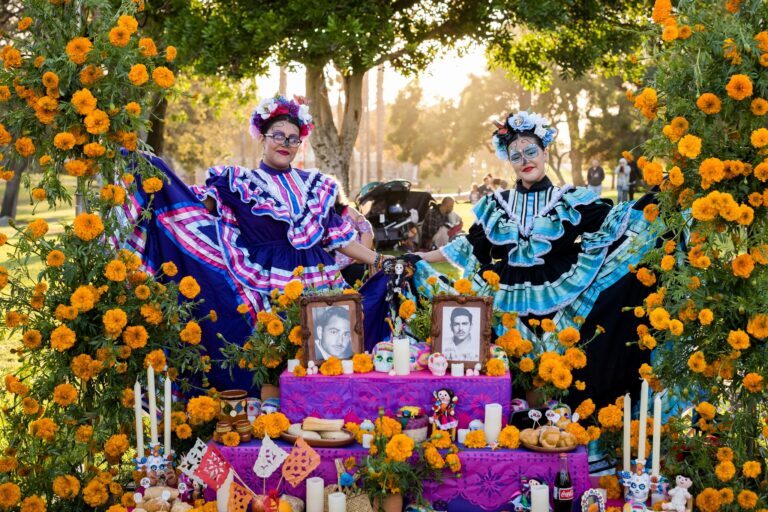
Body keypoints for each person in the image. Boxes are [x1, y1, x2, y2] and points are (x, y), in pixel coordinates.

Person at [119, 95, 383, 392]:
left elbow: (341, 238)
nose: (285, 143)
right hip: (264, 283)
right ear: (263, 137)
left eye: (293, 139)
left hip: (319, 281)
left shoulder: (316, 186)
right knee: (273, 357)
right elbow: (194, 206)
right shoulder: (238, 182)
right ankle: (275, 420)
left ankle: (326, 413)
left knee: (328, 353)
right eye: (278, 135)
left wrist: (377, 260)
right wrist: (154, 171)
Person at [412, 110, 659, 409]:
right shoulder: (496, 203)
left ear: (544, 152)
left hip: (562, 291)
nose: (525, 161)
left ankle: (553, 431)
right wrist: (421, 257)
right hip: (504, 294)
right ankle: (511, 432)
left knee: (561, 367)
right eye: (516, 156)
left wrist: (656, 200)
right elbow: (469, 245)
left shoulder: (569, 198)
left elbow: (614, 223)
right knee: (509, 368)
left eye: (531, 151)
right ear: (508, 160)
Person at [331, 179, 374, 286]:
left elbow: (366, 229)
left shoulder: (348, 210)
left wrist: (362, 256)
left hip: (352, 263)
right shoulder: (318, 216)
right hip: (330, 267)